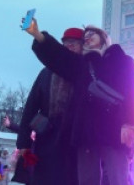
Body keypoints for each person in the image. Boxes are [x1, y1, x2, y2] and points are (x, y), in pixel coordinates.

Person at [24, 21, 134, 185]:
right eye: (85, 37)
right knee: (87, 179)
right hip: (87, 132)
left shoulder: (123, 61)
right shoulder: (83, 65)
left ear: (103, 37)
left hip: (115, 129)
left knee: (118, 178)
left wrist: (132, 124)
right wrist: (38, 35)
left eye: (91, 34)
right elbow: (58, 56)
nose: (87, 38)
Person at [15, 27, 84, 185]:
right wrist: (24, 143)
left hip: (74, 141)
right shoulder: (46, 73)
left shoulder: (84, 71)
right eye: (66, 43)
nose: (69, 47)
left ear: (82, 46)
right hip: (47, 139)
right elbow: (30, 107)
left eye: (74, 43)